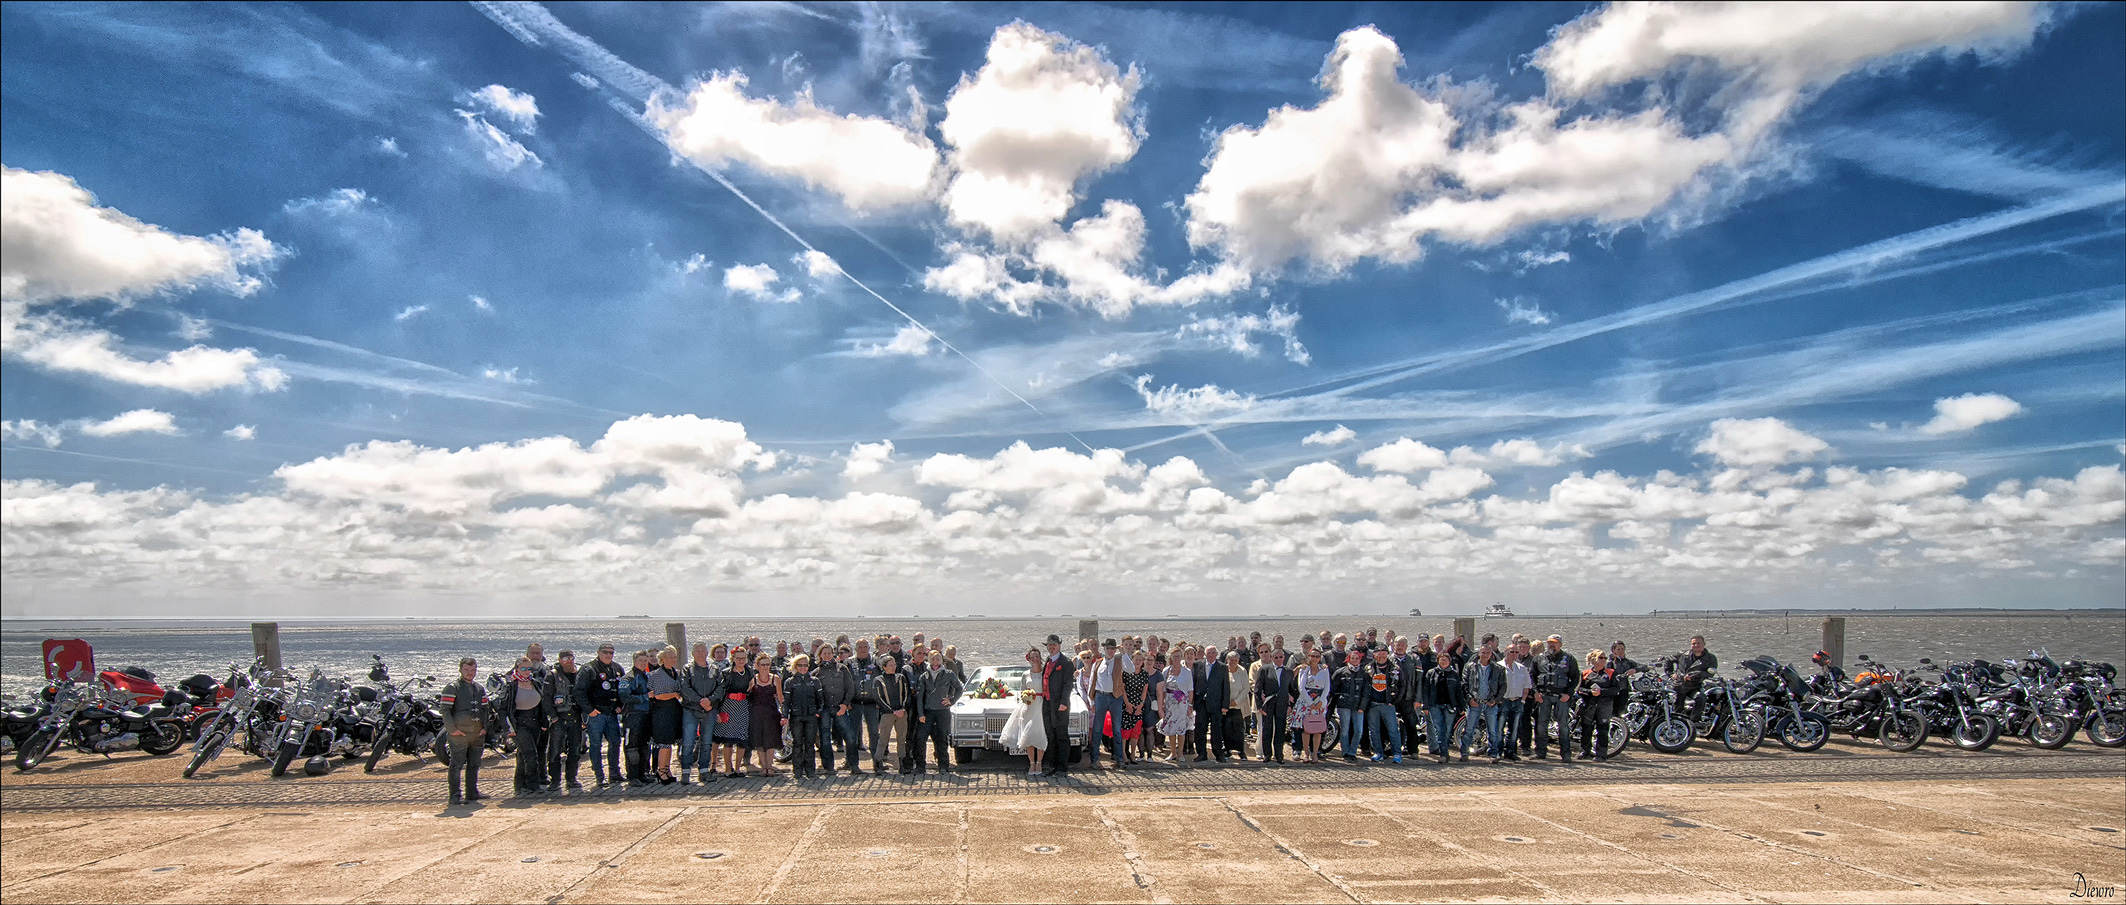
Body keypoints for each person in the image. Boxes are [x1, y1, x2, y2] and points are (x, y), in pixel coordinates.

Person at [440, 657, 487, 805]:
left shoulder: (479, 688)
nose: (470, 673)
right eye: (466, 670)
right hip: (459, 733)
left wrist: (484, 727)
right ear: (460, 670)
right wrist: (452, 730)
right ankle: (454, 795)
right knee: (456, 765)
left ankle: (472, 793)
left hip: (477, 733)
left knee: (474, 764)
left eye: (473, 670)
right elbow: (445, 710)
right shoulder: (452, 688)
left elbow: (485, 709)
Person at [578, 644, 624, 787]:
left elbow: (622, 689)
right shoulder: (589, 669)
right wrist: (589, 709)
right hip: (596, 714)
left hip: (611, 713)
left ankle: (614, 773)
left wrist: (620, 705)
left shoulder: (617, 668)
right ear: (598, 652)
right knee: (596, 745)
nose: (608, 655)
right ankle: (599, 775)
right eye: (605, 652)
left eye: (611, 652)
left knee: (615, 742)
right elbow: (579, 691)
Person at [678, 642, 721, 786]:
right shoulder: (687, 669)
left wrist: (710, 701)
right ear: (693, 653)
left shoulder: (714, 669)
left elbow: (721, 687)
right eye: (698, 651)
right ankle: (685, 772)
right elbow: (684, 688)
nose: (701, 653)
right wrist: (699, 701)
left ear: (707, 652)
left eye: (703, 651)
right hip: (691, 709)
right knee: (688, 741)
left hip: (709, 710)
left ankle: (703, 770)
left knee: (707, 742)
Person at [1002, 647, 1049, 776]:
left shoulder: (1045, 673)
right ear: (1029, 659)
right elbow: (1022, 690)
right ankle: (1031, 763)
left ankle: (1039, 762)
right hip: (1029, 705)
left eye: (1037, 657)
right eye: (1032, 657)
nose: (1035, 659)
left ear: (1040, 658)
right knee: (1028, 735)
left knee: (1039, 733)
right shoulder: (1025, 674)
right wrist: (1026, 696)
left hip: (1041, 705)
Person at [1533, 635, 1580, 763]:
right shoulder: (1539, 658)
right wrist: (1536, 692)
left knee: (1563, 726)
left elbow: (1575, 678)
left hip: (1561, 697)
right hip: (1544, 697)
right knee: (1541, 725)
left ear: (1560, 644)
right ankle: (1541, 752)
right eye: (1549, 643)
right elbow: (1532, 676)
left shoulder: (1569, 659)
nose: (1551, 646)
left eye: (1554, 643)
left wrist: (1569, 694)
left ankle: (1566, 754)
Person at [545, 649, 585, 791]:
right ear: (560, 660)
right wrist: (553, 717)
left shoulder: (579, 674)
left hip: (575, 718)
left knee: (575, 750)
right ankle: (555, 780)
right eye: (565, 658)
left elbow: (583, 695)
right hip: (559, 718)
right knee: (555, 751)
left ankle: (571, 778)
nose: (568, 661)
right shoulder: (552, 676)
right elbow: (547, 698)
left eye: (570, 658)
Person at [917, 650, 963, 773]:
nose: (935, 661)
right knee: (921, 738)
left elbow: (959, 689)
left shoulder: (948, 674)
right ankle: (921, 766)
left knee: (942, 738)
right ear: (929, 660)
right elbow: (920, 697)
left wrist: (951, 701)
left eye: (938, 659)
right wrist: (921, 714)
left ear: (941, 660)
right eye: (933, 659)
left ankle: (943, 765)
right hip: (928, 711)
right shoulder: (924, 676)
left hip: (943, 711)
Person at [1037, 635, 1076, 776]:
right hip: (1047, 703)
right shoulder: (1048, 660)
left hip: (1060, 705)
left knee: (1062, 736)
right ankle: (1052, 765)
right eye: (1049, 645)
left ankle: (1063, 767)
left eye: (1054, 645)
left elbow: (1068, 685)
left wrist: (1064, 702)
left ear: (1059, 645)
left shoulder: (1065, 662)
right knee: (1050, 735)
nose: (1051, 647)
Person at [1462, 645, 1507, 764]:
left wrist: (1496, 700)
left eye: (1488, 652)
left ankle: (1493, 753)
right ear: (1478, 653)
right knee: (1469, 729)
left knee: (1493, 730)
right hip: (1475, 703)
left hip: (1490, 703)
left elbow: (1503, 687)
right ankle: (1464, 752)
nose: (1485, 654)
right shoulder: (1470, 667)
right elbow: (1464, 684)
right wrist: (1469, 699)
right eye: (1483, 652)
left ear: (1491, 654)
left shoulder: (1498, 669)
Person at [510, 656, 548, 794]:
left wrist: (544, 722)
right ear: (517, 669)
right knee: (530, 754)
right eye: (523, 669)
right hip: (520, 723)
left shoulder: (535, 683)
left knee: (523, 754)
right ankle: (533, 784)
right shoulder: (511, 686)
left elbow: (542, 704)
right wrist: (508, 727)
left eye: (529, 669)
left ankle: (520, 785)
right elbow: (503, 709)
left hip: (535, 722)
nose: (526, 671)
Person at [712, 648, 752, 778]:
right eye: (738, 658)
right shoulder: (725, 673)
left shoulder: (750, 672)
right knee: (727, 739)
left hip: (743, 706)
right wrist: (717, 711)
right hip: (728, 706)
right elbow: (719, 693)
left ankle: (738, 768)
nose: (741, 661)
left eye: (743, 658)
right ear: (733, 659)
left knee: (742, 739)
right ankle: (728, 768)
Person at [783, 654, 824, 779]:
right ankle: (797, 770)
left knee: (810, 744)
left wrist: (818, 712)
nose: (803, 668)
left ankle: (810, 770)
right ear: (795, 666)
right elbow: (786, 701)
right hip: (796, 717)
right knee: (797, 744)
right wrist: (785, 716)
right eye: (800, 665)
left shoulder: (814, 681)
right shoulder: (790, 682)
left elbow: (820, 700)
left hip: (811, 716)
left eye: (805, 665)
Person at [647, 647, 685, 784]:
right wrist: (674, 694)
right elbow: (657, 695)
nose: (673, 659)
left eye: (674, 657)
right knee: (664, 742)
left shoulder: (676, 673)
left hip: (674, 710)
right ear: (662, 659)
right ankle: (660, 770)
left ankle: (667, 769)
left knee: (670, 742)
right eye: (670, 657)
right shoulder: (656, 675)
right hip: (662, 710)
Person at [819, 645, 858, 775]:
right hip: (824, 709)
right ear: (820, 655)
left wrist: (845, 704)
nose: (827, 655)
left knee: (850, 736)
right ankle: (829, 767)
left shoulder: (842, 669)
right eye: (824, 653)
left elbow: (850, 688)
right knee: (825, 739)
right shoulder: (816, 672)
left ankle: (854, 765)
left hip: (840, 708)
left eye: (829, 653)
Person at [873, 652, 913, 774]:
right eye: (890, 665)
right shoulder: (878, 680)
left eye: (894, 664)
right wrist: (892, 710)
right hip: (887, 713)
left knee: (901, 739)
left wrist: (902, 708)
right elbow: (878, 698)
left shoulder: (900, 678)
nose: (893, 667)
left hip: (901, 712)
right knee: (883, 738)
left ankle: (902, 763)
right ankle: (878, 762)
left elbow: (907, 694)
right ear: (884, 667)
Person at [1363, 646, 1404, 764]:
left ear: (1387, 654)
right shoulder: (1369, 668)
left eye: (1383, 654)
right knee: (1374, 730)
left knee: (1393, 730)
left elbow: (1402, 685)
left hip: (1388, 704)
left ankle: (1397, 753)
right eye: (1379, 654)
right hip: (1373, 705)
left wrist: (1394, 700)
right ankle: (1378, 752)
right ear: (1374, 655)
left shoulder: (1395, 668)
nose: (1381, 656)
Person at [746, 652, 784, 778]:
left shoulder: (775, 678)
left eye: (767, 664)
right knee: (759, 740)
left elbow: (780, 697)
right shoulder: (753, 679)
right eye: (763, 664)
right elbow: (747, 695)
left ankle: (769, 765)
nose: (765, 667)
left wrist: (784, 713)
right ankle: (763, 766)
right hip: (756, 713)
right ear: (757, 665)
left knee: (771, 739)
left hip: (771, 713)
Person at [618, 652, 653, 785]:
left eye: (645, 660)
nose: (643, 663)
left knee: (644, 746)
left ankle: (642, 774)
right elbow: (625, 697)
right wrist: (645, 697)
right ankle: (632, 776)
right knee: (632, 746)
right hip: (632, 716)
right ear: (634, 661)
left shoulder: (647, 677)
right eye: (640, 661)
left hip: (646, 715)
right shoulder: (628, 678)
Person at [1255, 649, 1294, 764]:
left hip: (1282, 704)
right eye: (1276, 657)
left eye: (1280, 657)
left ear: (1284, 658)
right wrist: (1259, 706)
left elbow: (1292, 690)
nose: (1278, 659)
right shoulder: (1264, 670)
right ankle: (1267, 754)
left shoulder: (1288, 671)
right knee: (1267, 729)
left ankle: (1279, 755)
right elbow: (1257, 689)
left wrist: (1290, 705)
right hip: (1268, 704)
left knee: (1280, 730)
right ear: (1271, 658)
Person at [1423, 651, 1463, 764]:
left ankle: (1444, 751)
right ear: (1438, 661)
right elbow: (1426, 690)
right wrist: (1425, 705)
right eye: (1441, 659)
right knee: (1439, 729)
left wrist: (1461, 706)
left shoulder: (1454, 674)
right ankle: (1444, 753)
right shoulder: (1431, 673)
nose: (1443, 661)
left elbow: (1458, 691)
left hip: (1450, 705)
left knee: (1447, 730)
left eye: (1445, 659)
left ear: (1449, 661)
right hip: (1435, 705)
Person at [1293, 648, 1332, 764]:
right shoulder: (1304, 669)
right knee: (1306, 729)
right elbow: (1301, 687)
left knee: (1317, 729)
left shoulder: (1324, 670)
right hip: (1306, 701)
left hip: (1320, 701)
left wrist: (1321, 701)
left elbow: (1327, 687)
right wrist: (1310, 703)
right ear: (1309, 657)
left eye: (1317, 656)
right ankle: (1306, 753)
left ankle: (1315, 753)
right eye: (1312, 656)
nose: (1314, 659)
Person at [1579, 650, 1619, 760]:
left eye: (1605, 658)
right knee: (1586, 729)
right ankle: (1584, 751)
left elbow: (1616, 689)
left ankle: (1601, 754)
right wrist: (1590, 692)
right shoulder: (1585, 673)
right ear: (1594, 660)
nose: (1604, 660)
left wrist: (1602, 691)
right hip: (1589, 704)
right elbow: (1580, 689)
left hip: (1605, 704)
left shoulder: (1610, 673)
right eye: (1601, 658)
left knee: (1603, 729)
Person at [1500, 641, 1533, 763]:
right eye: (1511, 652)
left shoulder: (1521, 668)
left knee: (1513, 730)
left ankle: (1511, 752)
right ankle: (1498, 751)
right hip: (1504, 701)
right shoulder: (1499, 666)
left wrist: (1523, 700)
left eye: (1516, 652)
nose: (1514, 654)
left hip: (1517, 701)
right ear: (1506, 652)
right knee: (1499, 729)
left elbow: (1527, 686)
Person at [1159, 650, 1193, 765]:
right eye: (1174, 656)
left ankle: (1181, 753)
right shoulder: (1166, 671)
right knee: (1171, 727)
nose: (1177, 658)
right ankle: (1173, 753)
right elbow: (1163, 689)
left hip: (1182, 703)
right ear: (1171, 658)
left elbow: (1190, 690)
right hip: (1170, 703)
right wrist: (1163, 703)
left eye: (1179, 656)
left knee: (1181, 729)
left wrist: (1190, 705)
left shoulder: (1187, 672)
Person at [1332, 649, 1367, 761]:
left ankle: (1353, 751)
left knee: (1358, 730)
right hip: (1344, 705)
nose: (1355, 660)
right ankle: (1345, 752)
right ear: (1349, 659)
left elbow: (1366, 692)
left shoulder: (1364, 673)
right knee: (1345, 729)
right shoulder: (1341, 672)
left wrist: (1362, 706)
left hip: (1358, 706)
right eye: (1353, 658)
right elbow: (1333, 688)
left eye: (1357, 658)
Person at [1117, 652, 1150, 767]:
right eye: (1136, 659)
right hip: (1127, 704)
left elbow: (1144, 691)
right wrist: (1127, 704)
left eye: (1140, 660)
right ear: (1132, 660)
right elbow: (1123, 689)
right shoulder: (1126, 673)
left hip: (1138, 705)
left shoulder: (1145, 674)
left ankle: (1133, 754)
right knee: (1125, 732)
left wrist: (1141, 705)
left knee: (1135, 732)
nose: (1138, 661)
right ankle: (1123, 755)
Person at [1678, 635, 1718, 716]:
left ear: (1704, 644)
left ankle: (1694, 721)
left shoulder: (1711, 658)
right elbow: (1668, 660)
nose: (1696, 645)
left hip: (1695, 686)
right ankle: (1677, 721)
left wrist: (1696, 675)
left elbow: (1711, 673)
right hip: (1680, 685)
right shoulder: (1683, 654)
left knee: (1700, 697)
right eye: (1694, 644)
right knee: (1676, 704)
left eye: (1698, 643)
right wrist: (1672, 674)